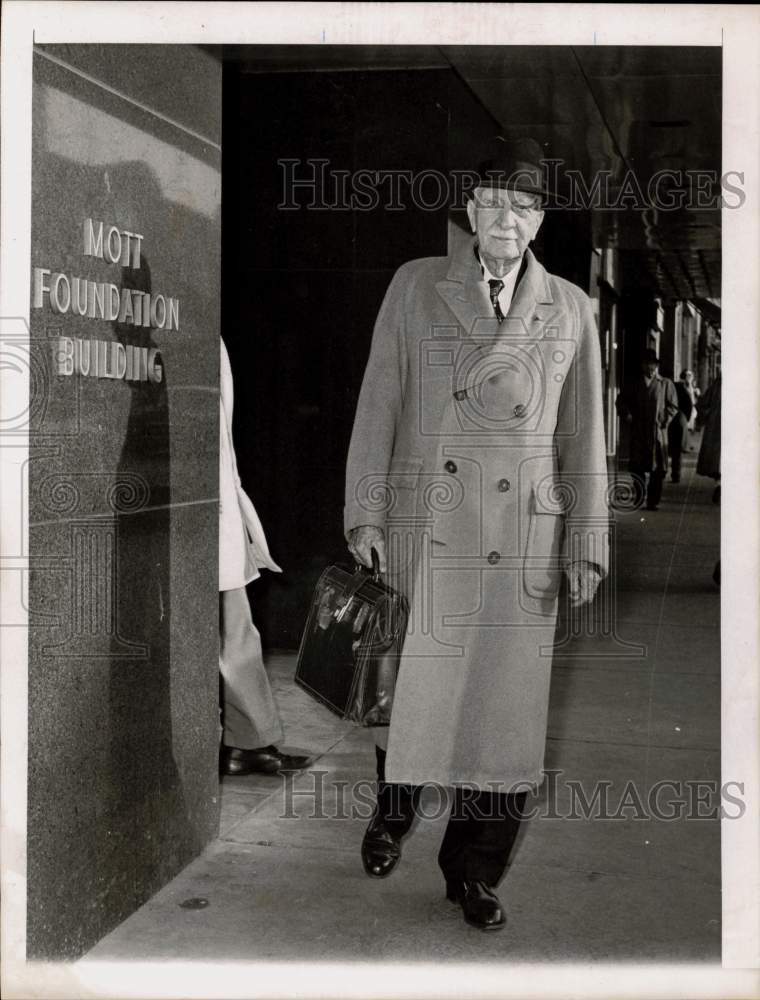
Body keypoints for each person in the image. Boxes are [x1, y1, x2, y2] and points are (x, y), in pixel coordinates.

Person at [344, 138, 609, 931]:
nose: (506, 218)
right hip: (431, 520)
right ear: (468, 210)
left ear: (540, 221)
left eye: (523, 206)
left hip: (520, 536)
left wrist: (586, 542)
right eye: (492, 201)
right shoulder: (417, 285)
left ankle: (474, 872)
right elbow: (380, 399)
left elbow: (583, 436)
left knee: (501, 714)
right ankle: (393, 812)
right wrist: (365, 508)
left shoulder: (572, 308)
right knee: (420, 694)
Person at [218, 338, 311, 776]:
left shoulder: (204, 335)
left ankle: (248, 740)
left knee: (235, 628)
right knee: (233, 631)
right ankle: (246, 741)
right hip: (201, 509)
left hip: (211, 503)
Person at [616, 349, 678, 510]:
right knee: (637, 467)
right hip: (638, 431)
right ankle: (638, 497)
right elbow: (621, 402)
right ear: (642, 365)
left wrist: (665, 420)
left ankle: (652, 501)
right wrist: (627, 414)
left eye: (653, 364)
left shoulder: (665, 384)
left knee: (658, 469)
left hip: (657, 432)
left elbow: (673, 406)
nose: (650, 367)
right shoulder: (633, 383)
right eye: (647, 364)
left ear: (656, 366)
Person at [667, 369, 695, 483]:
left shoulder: (670, 387)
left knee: (669, 448)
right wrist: (685, 419)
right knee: (677, 451)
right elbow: (689, 404)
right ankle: (676, 474)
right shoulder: (683, 388)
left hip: (671, 420)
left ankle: (667, 472)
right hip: (680, 420)